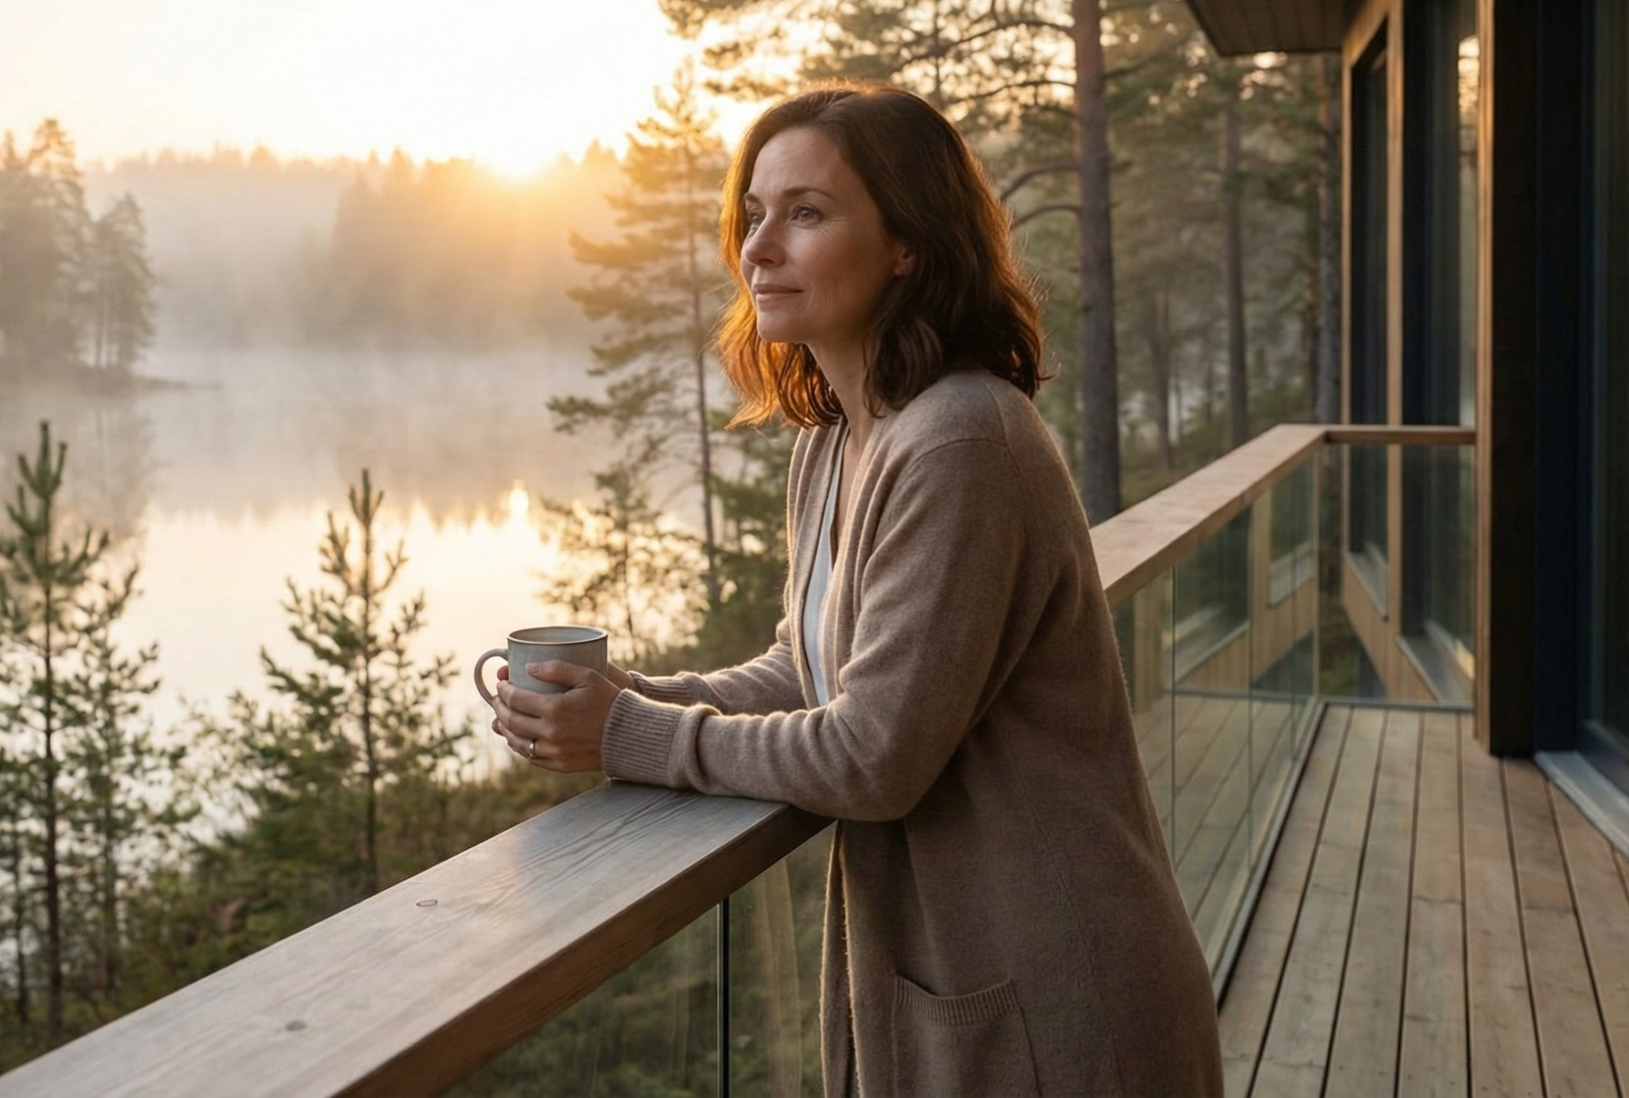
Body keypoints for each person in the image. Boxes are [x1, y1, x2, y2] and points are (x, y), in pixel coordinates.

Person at [491, 85, 1222, 1096]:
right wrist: (633, 697)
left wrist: (631, 735)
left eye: (806, 212)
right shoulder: (837, 441)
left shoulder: (961, 441)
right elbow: (811, 670)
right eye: (753, 214)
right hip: (955, 977)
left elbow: (873, 753)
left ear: (908, 243)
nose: (758, 249)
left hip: (1056, 995)